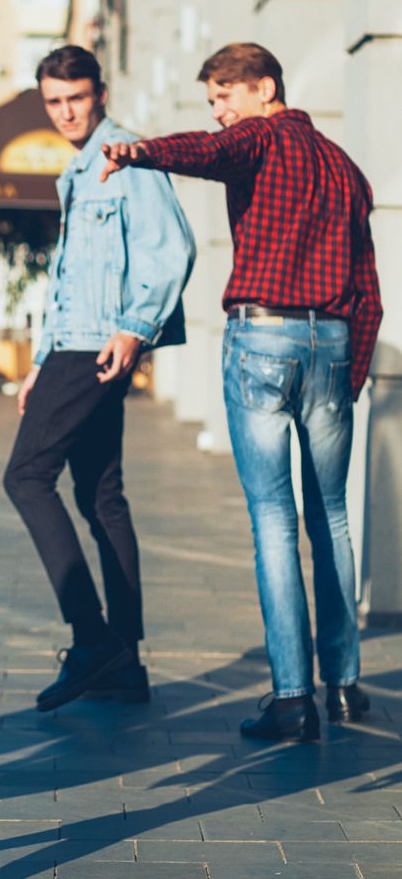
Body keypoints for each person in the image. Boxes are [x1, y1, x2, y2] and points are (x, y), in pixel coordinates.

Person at [101, 42, 383, 742]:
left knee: (274, 520)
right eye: (213, 102)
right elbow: (369, 289)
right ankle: (345, 686)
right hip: (331, 341)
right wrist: (350, 373)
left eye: (225, 97)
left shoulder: (260, 138)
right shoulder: (346, 169)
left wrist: (136, 153)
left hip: (262, 339)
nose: (220, 114)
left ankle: (292, 698)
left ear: (265, 89)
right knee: (332, 518)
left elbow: (205, 151)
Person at [3, 46, 195, 713]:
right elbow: (70, 282)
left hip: (96, 346)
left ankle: (92, 639)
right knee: (101, 495)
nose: (66, 113)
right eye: (54, 102)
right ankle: (124, 664)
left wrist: (134, 328)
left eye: (76, 99)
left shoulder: (126, 158)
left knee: (26, 477)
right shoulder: (80, 169)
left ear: (101, 94)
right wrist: (39, 362)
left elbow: (171, 249)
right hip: (74, 344)